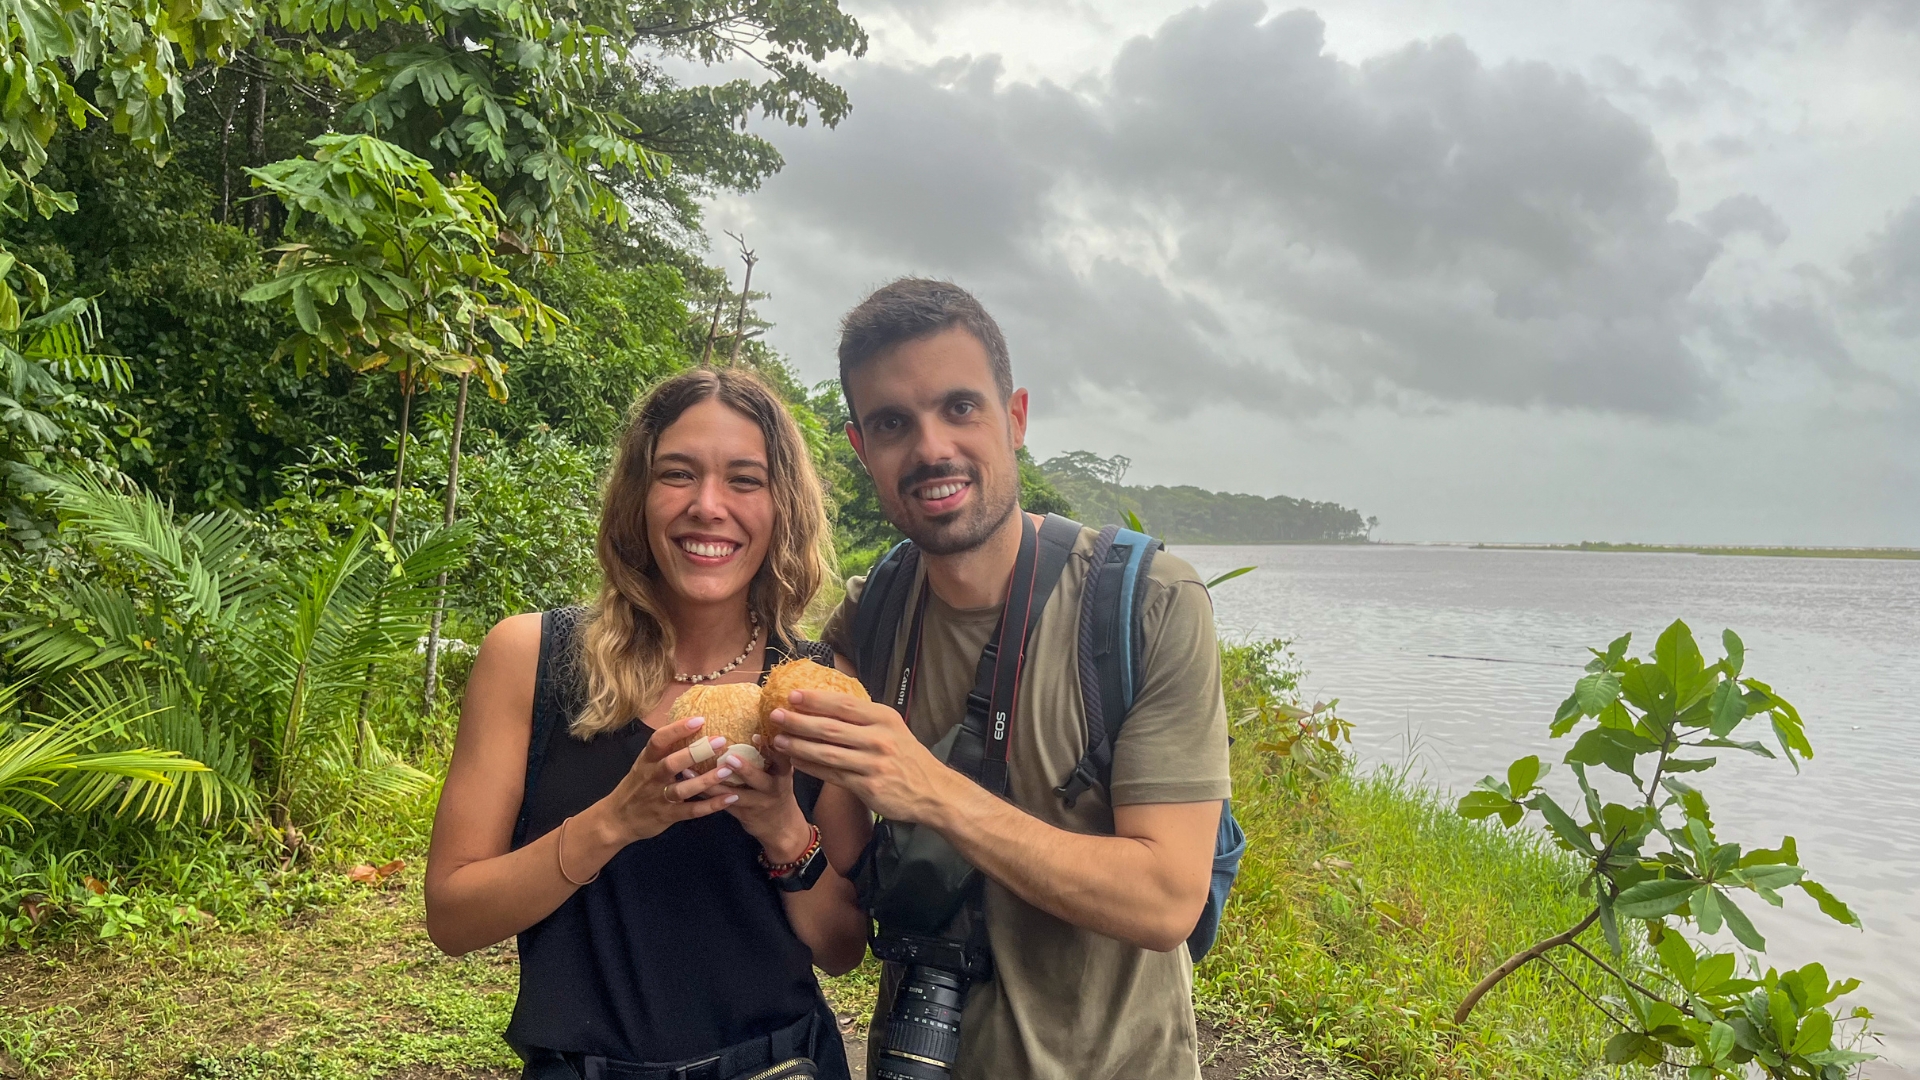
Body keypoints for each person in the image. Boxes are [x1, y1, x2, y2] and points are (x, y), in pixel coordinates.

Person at [773, 279, 1232, 1079]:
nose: (931, 449)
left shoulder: (1148, 605)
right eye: (892, 424)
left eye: (960, 408)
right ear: (860, 450)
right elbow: (841, 859)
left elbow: (1166, 900)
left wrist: (933, 790)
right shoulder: (873, 615)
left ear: (1014, 418)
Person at [424, 367, 867, 1080]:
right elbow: (452, 916)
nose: (708, 505)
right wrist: (618, 820)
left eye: (745, 480)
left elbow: (844, 947)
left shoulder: (818, 689)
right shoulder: (529, 659)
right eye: (678, 474)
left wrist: (783, 828)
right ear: (638, 496)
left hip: (781, 1067)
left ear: (783, 506)